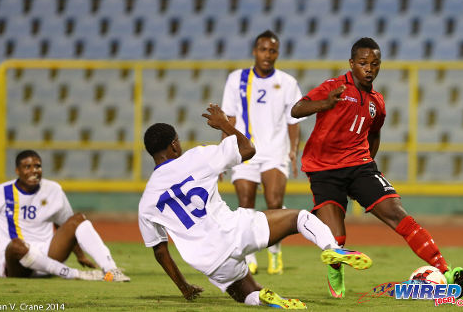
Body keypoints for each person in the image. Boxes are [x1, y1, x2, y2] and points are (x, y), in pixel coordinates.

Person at [138, 103, 373, 309]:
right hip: (235, 231)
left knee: (246, 292)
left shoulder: (147, 201)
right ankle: (331, 248)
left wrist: (184, 287)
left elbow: (160, 252)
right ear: (174, 146)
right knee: (299, 218)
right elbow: (248, 150)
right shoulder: (196, 157)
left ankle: (264, 297)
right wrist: (225, 125)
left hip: (210, 261)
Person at [291, 37, 463, 298]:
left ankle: (445, 270)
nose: (369, 68)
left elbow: (374, 135)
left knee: (399, 215)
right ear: (352, 64)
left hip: (360, 167)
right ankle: (335, 271)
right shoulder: (334, 86)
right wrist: (324, 104)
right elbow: (297, 110)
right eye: (363, 63)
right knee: (336, 239)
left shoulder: (378, 103)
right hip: (324, 170)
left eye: (375, 63)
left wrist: (366, 170)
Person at [221, 30, 304, 275]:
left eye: (272, 50)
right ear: (254, 51)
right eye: (262, 49)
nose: (267, 54)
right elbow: (229, 120)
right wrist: (224, 155)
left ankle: (275, 252)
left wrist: (293, 151)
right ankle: (249, 256)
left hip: (276, 151)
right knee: (246, 203)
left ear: (277, 53)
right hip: (245, 151)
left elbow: (293, 120)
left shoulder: (288, 83)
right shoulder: (237, 79)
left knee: (274, 203)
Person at [0, 150, 130, 282]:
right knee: (16, 245)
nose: (33, 170)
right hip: (15, 262)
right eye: (27, 167)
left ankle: (111, 269)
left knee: (78, 219)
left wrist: (80, 255)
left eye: (37, 166)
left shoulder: (53, 189)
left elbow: (65, 225)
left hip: (47, 254)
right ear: (17, 170)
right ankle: (75, 274)